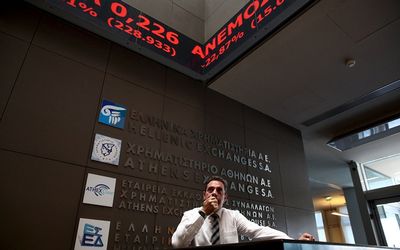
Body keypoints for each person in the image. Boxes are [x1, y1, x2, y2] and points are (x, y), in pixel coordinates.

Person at [172, 176, 315, 247]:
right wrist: (203, 212)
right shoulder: (191, 214)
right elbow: (178, 243)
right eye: (210, 190)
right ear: (204, 195)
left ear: (225, 198)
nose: (214, 193)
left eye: (219, 190)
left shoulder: (233, 216)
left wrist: (293, 242)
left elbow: (259, 231)